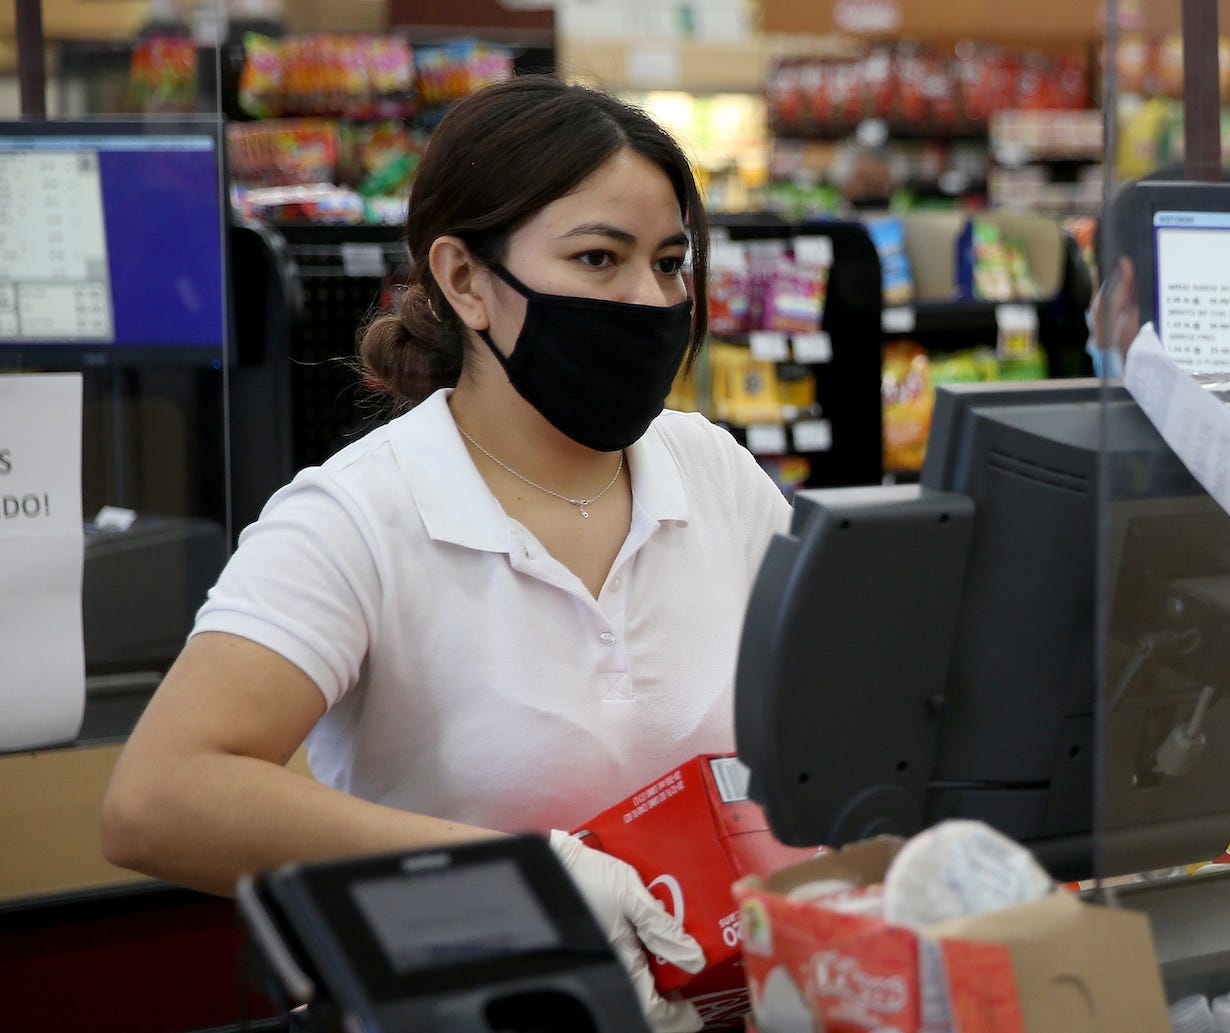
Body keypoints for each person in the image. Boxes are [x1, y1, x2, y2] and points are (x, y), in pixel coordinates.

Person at [100, 74, 794, 1032]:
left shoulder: (714, 472)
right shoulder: (357, 515)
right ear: (466, 280)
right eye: (599, 258)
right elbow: (156, 800)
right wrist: (516, 884)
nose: (649, 299)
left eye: (670, 263)